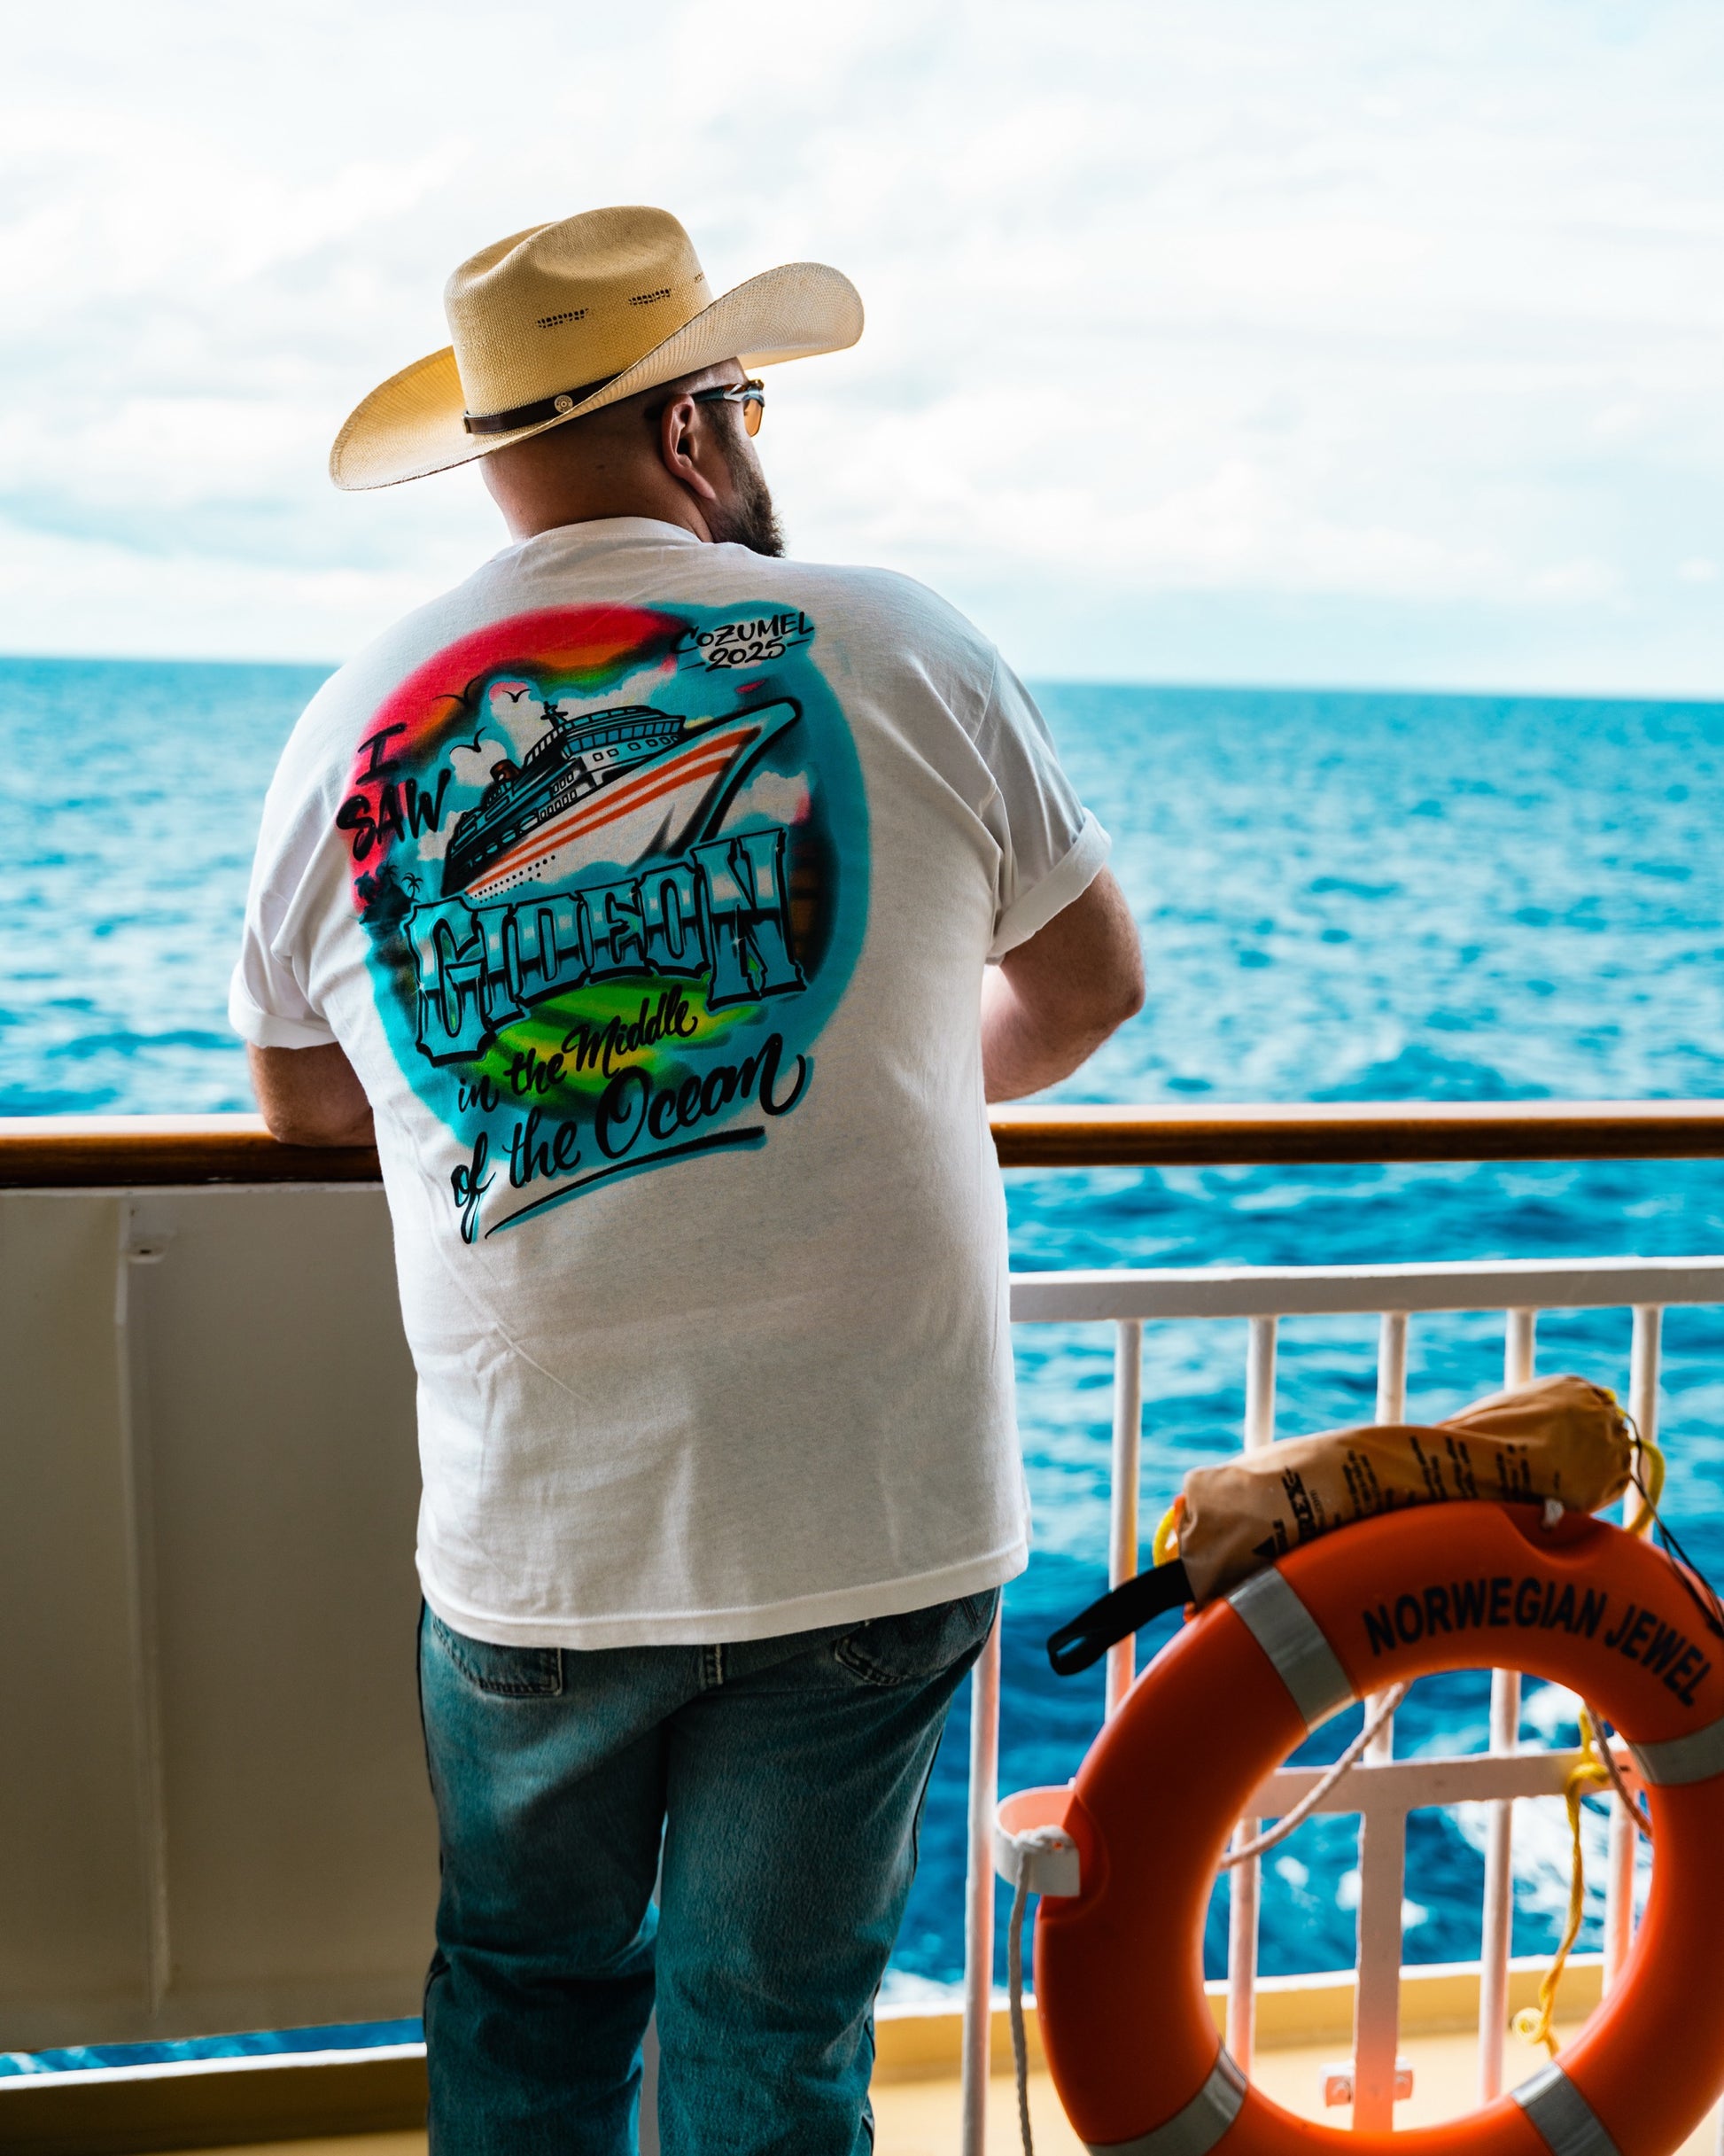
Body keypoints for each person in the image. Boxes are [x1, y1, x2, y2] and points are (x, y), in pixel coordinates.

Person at [233, 204, 1143, 2156]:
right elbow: (1088, 989)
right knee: (774, 2036)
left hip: (539, 1528)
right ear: (691, 426)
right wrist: (880, 1082)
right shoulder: (907, 638)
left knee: (530, 1998)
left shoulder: (351, 723)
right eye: (739, 399)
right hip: (872, 1505)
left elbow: (301, 1100)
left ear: (492, 456)